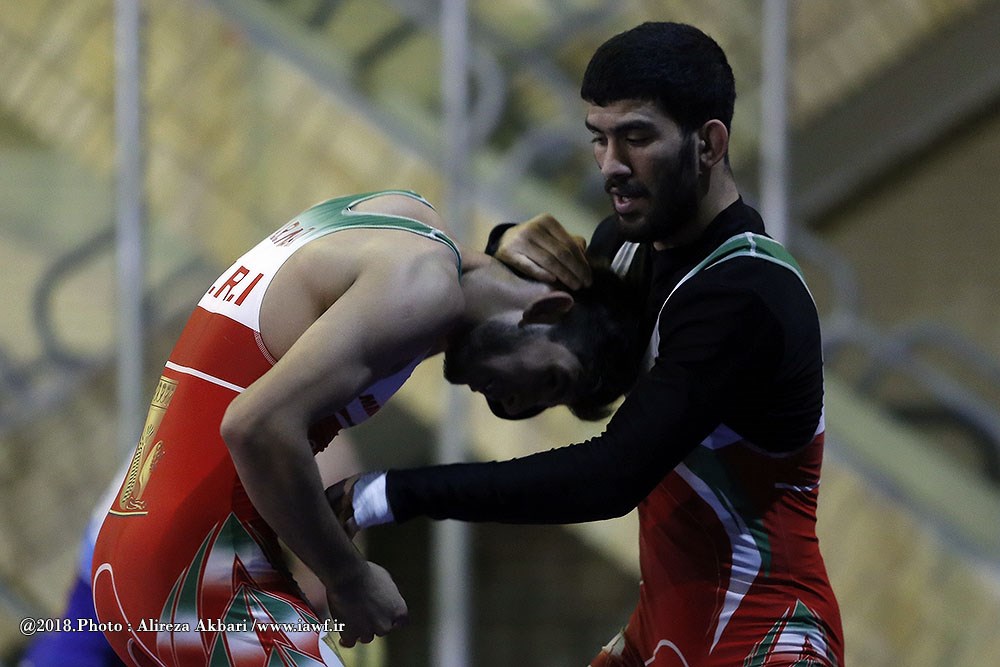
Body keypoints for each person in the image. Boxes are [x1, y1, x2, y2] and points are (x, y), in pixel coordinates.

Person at [330, 22, 845, 667]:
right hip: (667, 629)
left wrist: (390, 493)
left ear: (709, 144)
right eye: (598, 138)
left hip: (767, 634)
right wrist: (501, 245)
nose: (610, 166)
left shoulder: (746, 293)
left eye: (637, 138)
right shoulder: (621, 249)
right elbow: (551, 380)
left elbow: (610, 478)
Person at [89, 189, 644, 667]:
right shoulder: (424, 289)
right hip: (195, 578)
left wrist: (504, 246)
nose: (514, 407)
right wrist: (347, 576)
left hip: (147, 550)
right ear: (549, 309)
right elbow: (255, 425)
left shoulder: (402, 215)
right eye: (551, 381)